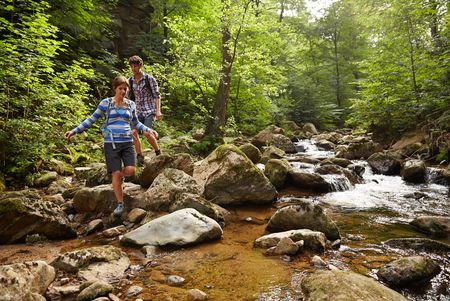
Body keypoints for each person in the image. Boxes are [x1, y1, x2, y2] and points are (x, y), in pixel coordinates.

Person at [64, 75, 156, 216]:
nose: (123, 91)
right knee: (116, 173)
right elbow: (91, 119)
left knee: (130, 170)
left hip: (127, 142)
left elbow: (136, 123)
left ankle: (120, 179)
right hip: (111, 144)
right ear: (115, 89)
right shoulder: (106, 103)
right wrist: (74, 130)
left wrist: (149, 130)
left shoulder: (131, 105)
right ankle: (120, 204)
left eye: (125, 89)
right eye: (120, 89)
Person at [128, 55, 162, 166]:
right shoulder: (130, 81)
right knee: (133, 133)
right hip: (136, 111)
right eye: (132, 66)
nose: (134, 68)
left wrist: (158, 111)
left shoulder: (149, 79)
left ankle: (158, 152)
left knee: (147, 133)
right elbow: (128, 99)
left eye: (136, 66)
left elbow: (157, 96)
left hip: (149, 110)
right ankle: (140, 157)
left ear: (140, 66)